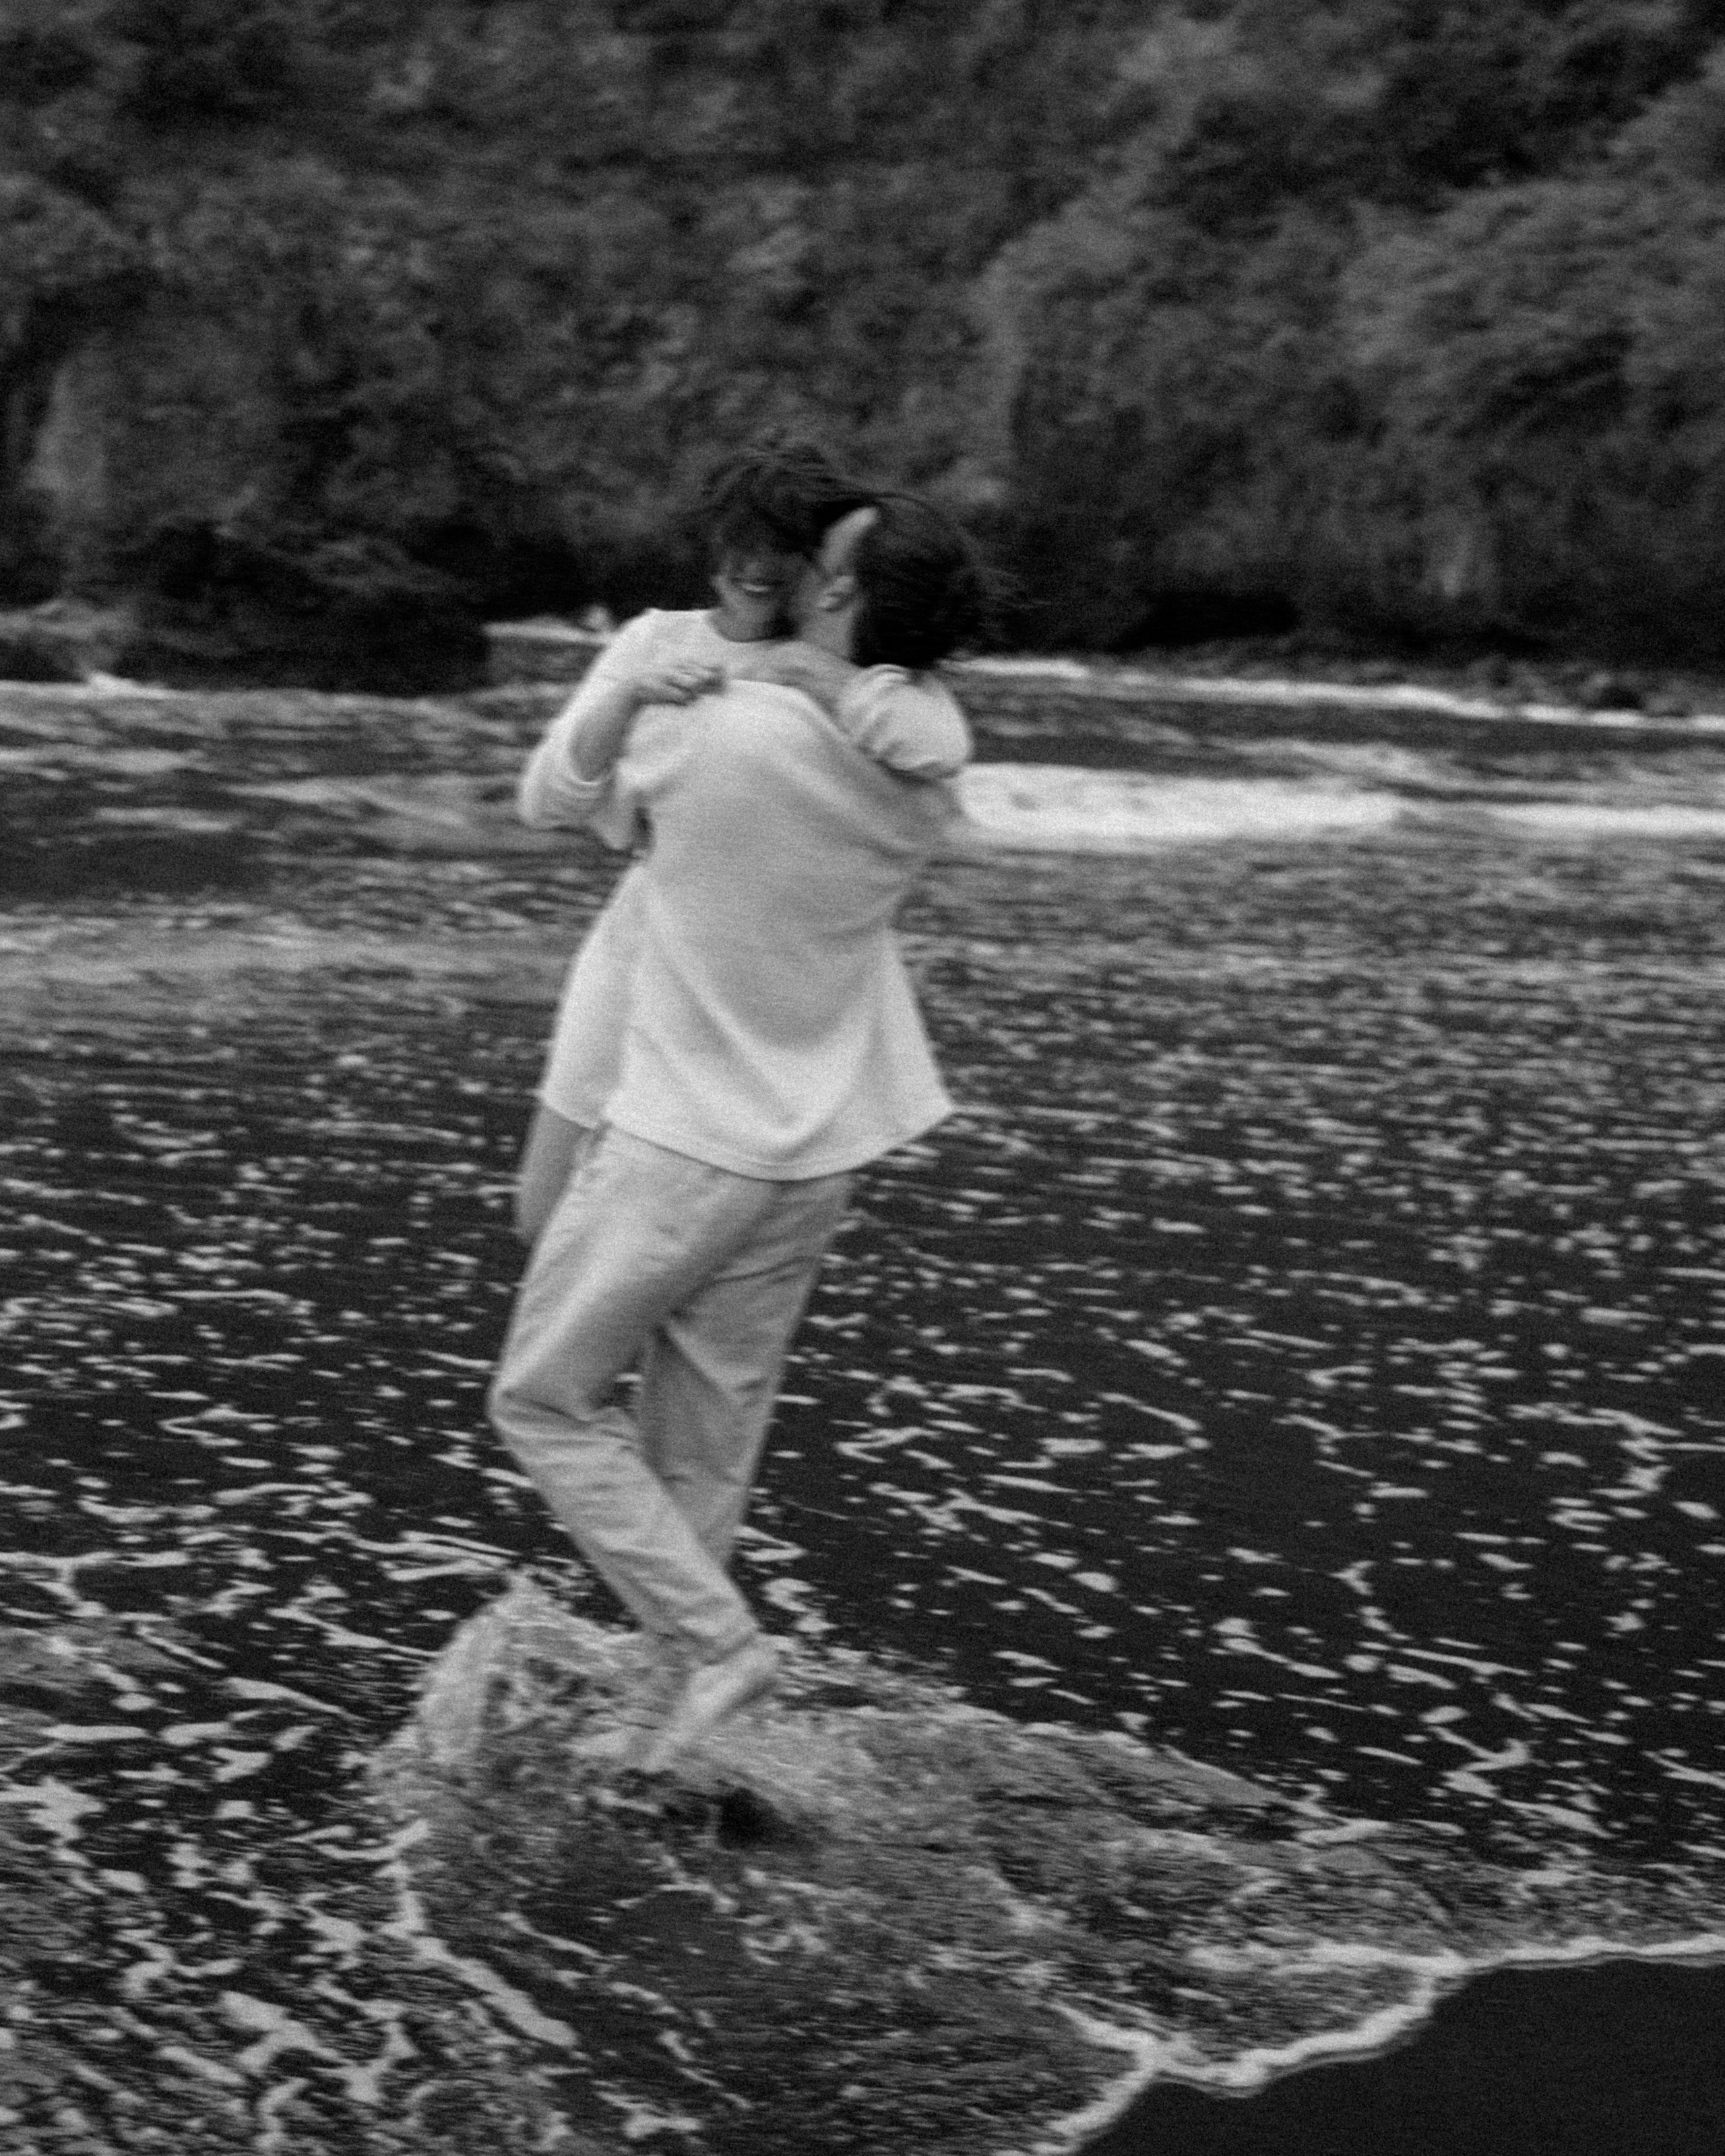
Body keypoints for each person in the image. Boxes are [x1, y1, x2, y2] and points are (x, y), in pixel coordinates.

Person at [488, 494, 988, 1771]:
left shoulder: (701, 729)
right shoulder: (918, 769)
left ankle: (718, 1648)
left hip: (685, 1144)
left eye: (821, 563)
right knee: (703, 1447)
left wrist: (649, 687)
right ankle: (676, 1733)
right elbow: (917, 723)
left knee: (543, 1399)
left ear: (834, 597)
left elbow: (564, 802)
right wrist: (800, 672)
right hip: (814, 1149)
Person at [513, 444, 971, 1246]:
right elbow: (546, 801)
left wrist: (819, 678)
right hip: (638, 944)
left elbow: (939, 748)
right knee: (544, 1214)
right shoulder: (655, 642)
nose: (753, 568)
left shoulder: (859, 665)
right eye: (736, 544)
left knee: (669, 1222)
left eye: (779, 551)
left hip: (752, 969)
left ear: (816, 570)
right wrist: (624, 701)